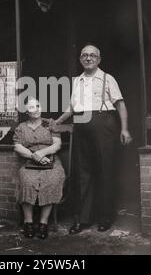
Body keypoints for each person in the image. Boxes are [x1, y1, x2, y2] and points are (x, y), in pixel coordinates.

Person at [55, 43, 132, 234]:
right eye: (84, 56)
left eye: (92, 56)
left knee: (105, 171)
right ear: (80, 59)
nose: (88, 58)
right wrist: (57, 122)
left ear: (99, 59)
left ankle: (105, 218)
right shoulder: (77, 81)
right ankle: (82, 219)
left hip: (104, 125)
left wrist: (125, 129)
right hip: (81, 126)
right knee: (82, 174)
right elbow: (72, 109)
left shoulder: (108, 79)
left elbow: (120, 105)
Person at [13, 97, 65, 239]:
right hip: (29, 162)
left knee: (52, 180)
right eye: (32, 107)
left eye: (38, 105)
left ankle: (43, 223)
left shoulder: (50, 123)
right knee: (26, 181)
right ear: (26, 111)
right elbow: (17, 146)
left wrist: (41, 153)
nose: (36, 109)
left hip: (51, 161)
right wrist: (33, 156)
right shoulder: (21, 128)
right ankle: (28, 222)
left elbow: (57, 144)